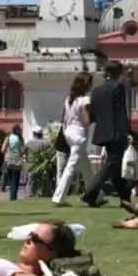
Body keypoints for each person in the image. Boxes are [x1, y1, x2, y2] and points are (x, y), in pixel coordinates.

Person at [81, 61, 132, 207]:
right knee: (111, 164)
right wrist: (127, 132)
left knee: (116, 166)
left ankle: (125, 198)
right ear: (118, 73)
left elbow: (94, 113)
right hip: (116, 132)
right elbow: (120, 112)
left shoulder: (96, 90)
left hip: (102, 131)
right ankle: (90, 193)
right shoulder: (118, 87)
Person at [52, 72, 99, 206]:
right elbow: (87, 120)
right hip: (79, 135)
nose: (91, 85)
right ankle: (58, 198)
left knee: (86, 168)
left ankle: (97, 196)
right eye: (90, 83)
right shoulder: (85, 100)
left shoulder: (69, 99)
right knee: (71, 167)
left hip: (69, 133)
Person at [0, 125, 26, 201]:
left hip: (9, 160)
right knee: (16, 179)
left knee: (12, 179)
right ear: (18, 130)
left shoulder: (8, 138)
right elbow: (22, 150)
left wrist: (8, 152)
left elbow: (3, 150)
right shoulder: (20, 139)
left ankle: (12, 196)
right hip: (17, 160)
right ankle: (14, 196)